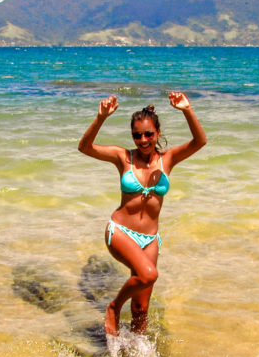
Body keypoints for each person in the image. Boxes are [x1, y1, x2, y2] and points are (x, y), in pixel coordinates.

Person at [78, 91, 207, 337]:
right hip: (120, 232)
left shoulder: (168, 159)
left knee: (141, 309)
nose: (143, 140)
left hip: (150, 239)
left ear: (157, 133)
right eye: (137, 135)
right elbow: (84, 147)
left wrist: (187, 110)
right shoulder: (123, 157)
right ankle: (114, 307)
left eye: (148, 134)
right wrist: (100, 117)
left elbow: (200, 141)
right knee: (148, 275)